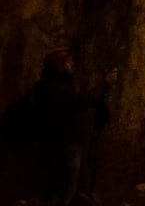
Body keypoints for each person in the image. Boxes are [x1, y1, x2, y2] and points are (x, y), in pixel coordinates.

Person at [33, 48, 117, 206]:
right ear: (60, 64)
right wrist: (104, 84)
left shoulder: (52, 84)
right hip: (63, 144)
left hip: (61, 143)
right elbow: (79, 101)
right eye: (68, 61)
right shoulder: (55, 87)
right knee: (65, 188)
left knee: (62, 185)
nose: (72, 63)